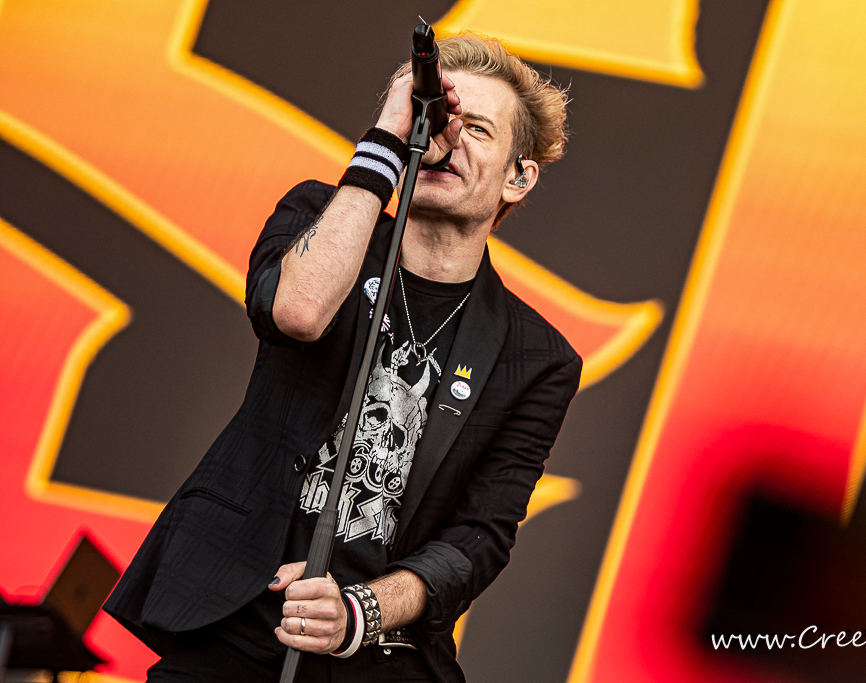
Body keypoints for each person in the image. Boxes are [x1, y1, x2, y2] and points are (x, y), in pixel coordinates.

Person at [103, 31, 581, 683]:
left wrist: (360, 612)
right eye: (439, 119)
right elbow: (298, 313)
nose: (447, 140)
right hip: (234, 623)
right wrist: (388, 136)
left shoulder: (536, 357)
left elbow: (479, 537)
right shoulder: (315, 216)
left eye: (476, 129)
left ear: (518, 176)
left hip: (374, 655)